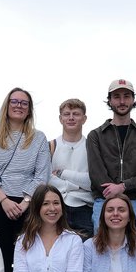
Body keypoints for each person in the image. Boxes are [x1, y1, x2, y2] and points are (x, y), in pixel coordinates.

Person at [0, 87, 51, 272]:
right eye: (14, 101)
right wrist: (4, 200)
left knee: (28, 253)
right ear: (7, 105)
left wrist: (25, 202)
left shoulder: (38, 138)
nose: (19, 106)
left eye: (24, 103)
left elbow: (41, 174)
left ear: (29, 110)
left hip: (28, 202)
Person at [85, 79, 136, 237]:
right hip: (104, 200)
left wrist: (123, 187)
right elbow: (96, 172)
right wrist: (113, 193)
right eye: (117, 96)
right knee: (101, 247)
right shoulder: (95, 135)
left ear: (133, 100)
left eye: (126, 96)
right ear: (110, 101)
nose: (122, 101)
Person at [49, 99, 94, 237]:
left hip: (84, 208)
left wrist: (62, 173)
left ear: (84, 119)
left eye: (76, 114)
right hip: (56, 207)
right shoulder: (50, 146)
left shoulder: (92, 147)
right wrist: (78, 185)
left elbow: (93, 182)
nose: (71, 118)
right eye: (66, 114)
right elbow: (46, 179)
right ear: (60, 118)